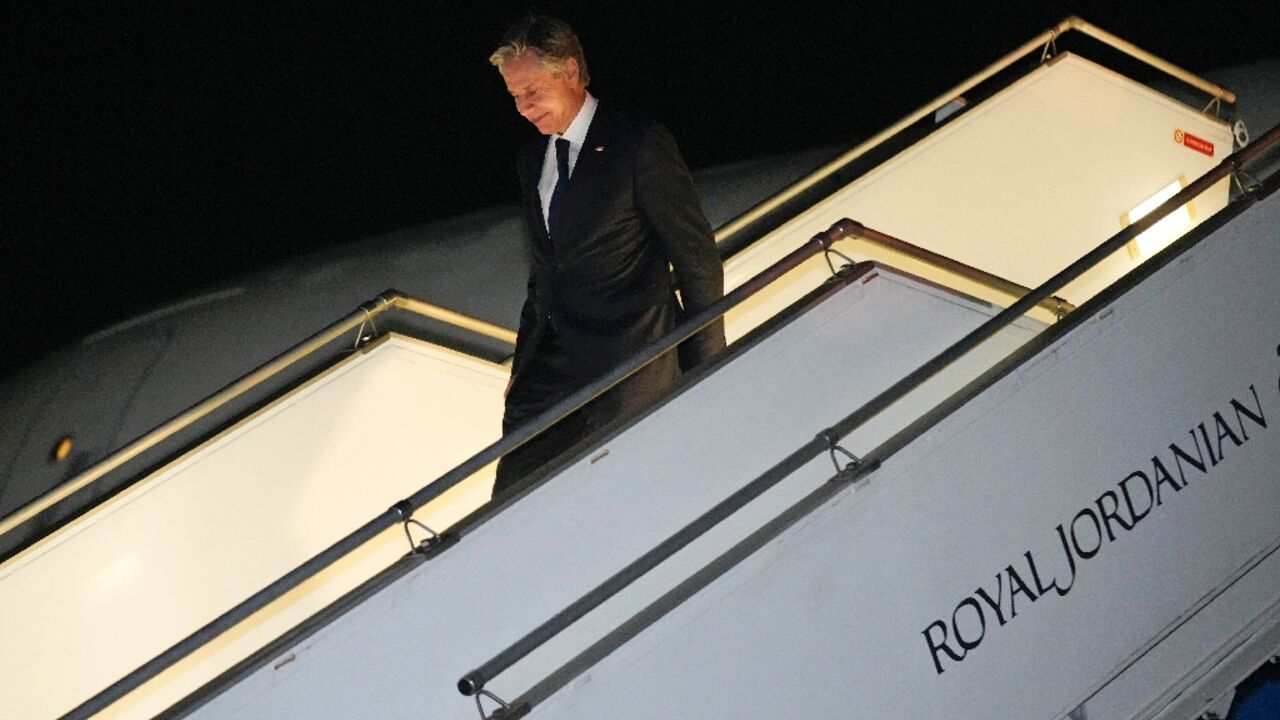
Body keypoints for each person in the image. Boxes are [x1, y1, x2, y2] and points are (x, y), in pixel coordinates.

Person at [489, 14, 725, 497]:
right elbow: (544, 274)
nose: (524, 106)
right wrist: (522, 366)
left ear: (571, 71)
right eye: (515, 96)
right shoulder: (531, 160)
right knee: (513, 503)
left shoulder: (637, 141)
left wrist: (708, 369)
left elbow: (697, 260)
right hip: (548, 371)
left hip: (629, 361)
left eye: (532, 89)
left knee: (628, 498)